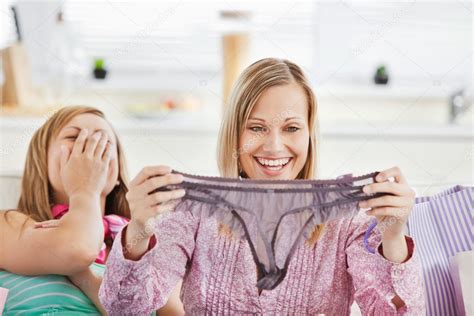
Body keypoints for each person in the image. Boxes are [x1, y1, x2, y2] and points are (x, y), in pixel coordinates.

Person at [100, 59, 426, 314]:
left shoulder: (349, 225)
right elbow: (126, 307)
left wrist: (393, 238)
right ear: (234, 134)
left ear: (310, 135)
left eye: (291, 127)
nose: (273, 146)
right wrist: (140, 227)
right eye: (256, 127)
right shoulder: (192, 214)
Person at [0, 106, 183, 315]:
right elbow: (79, 248)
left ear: (116, 175)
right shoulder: (7, 225)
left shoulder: (152, 243)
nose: (90, 147)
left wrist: (85, 278)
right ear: (42, 163)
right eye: (73, 137)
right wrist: (84, 189)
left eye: (104, 141)